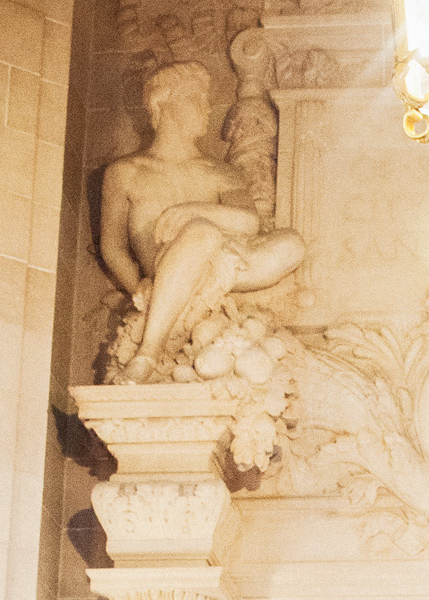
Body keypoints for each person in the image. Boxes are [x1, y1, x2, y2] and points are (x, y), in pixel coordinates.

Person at [98, 60, 304, 380]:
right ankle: (148, 353)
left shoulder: (219, 171)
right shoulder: (125, 173)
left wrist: (193, 211)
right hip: (168, 263)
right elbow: (112, 247)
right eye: (196, 100)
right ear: (164, 102)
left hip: (225, 265)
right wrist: (138, 283)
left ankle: (197, 276)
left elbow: (248, 224)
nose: (206, 111)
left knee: (292, 243)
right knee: (201, 235)